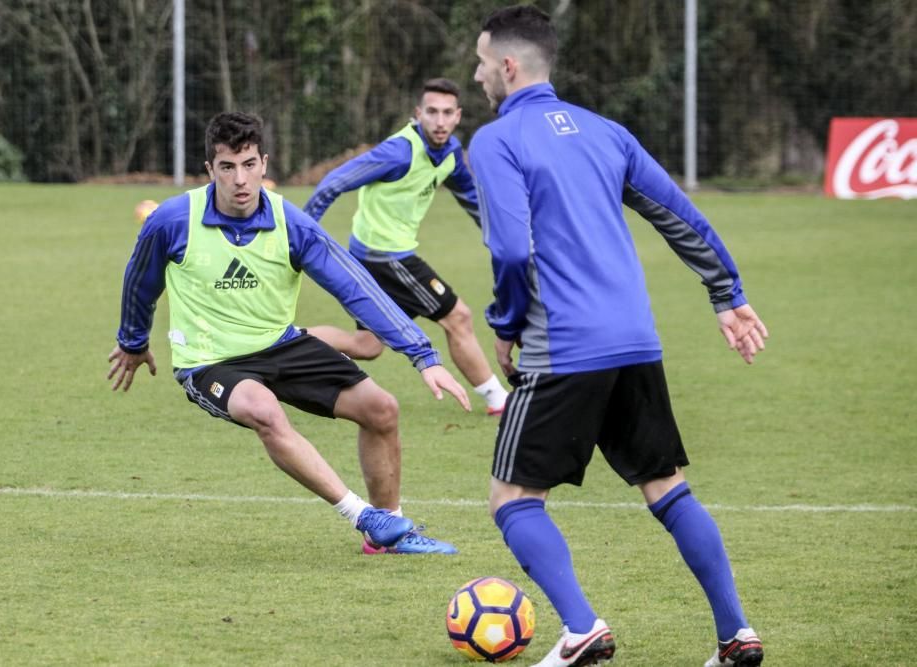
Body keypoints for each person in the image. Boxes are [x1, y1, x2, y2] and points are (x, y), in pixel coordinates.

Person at [469, 6, 768, 667]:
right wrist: (728, 295)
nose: (477, 73)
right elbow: (678, 214)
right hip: (635, 338)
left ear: (509, 67)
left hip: (563, 345)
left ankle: (581, 629)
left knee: (513, 498)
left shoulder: (494, 142)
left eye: (482, 61)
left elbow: (513, 252)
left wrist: (507, 325)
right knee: (665, 485)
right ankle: (736, 633)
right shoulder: (608, 133)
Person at [108, 111, 471, 556]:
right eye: (226, 167)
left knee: (381, 409)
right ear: (210, 170)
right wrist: (132, 341)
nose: (239, 179)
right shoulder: (171, 220)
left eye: (248, 165)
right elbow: (140, 282)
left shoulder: (291, 223)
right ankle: (361, 515)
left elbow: (354, 285)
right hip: (210, 361)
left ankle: (391, 532)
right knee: (264, 411)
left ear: (264, 163)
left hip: (281, 344)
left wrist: (422, 354)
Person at [303, 78, 509, 416]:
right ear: (418, 114)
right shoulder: (398, 152)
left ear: (458, 116)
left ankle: (288, 338)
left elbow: (472, 199)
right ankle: (498, 399)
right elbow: (332, 184)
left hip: (376, 258)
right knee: (458, 317)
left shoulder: (451, 153)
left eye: (446, 113)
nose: (439, 121)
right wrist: (301, 236)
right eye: (432, 112)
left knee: (367, 346)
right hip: (384, 257)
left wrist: (503, 241)